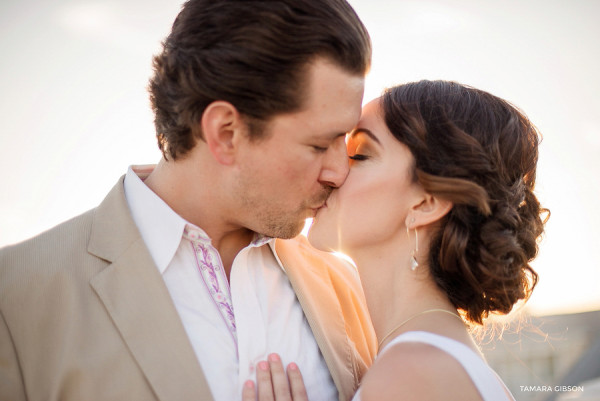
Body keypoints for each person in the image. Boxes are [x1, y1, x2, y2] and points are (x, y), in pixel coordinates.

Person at [0, 1, 378, 400]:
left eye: (346, 140)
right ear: (226, 132)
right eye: (319, 144)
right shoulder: (15, 299)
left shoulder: (348, 287)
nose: (339, 171)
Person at [242, 80, 549, 401]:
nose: (332, 172)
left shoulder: (411, 375)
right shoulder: (434, 360)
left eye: (359, 155)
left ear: (426, 203)